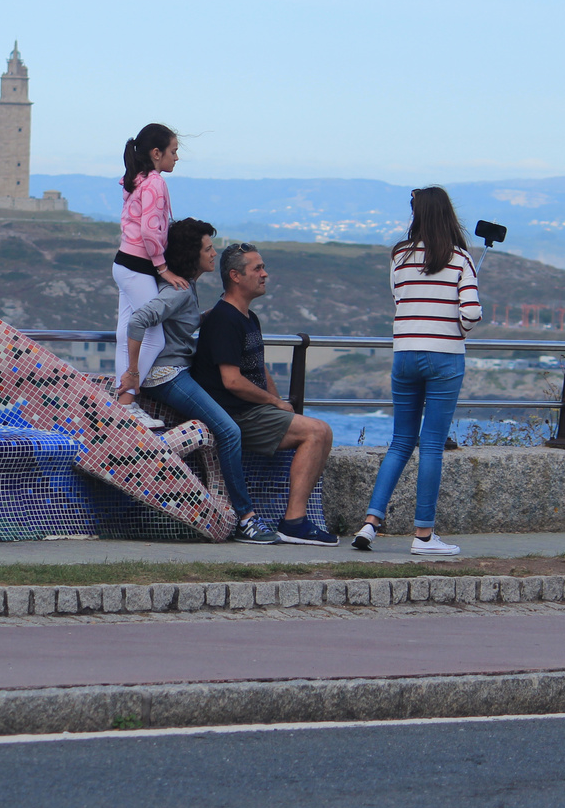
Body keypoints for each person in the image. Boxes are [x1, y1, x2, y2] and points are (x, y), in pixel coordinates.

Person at [124, 219, 277, 544]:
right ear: (193, 255)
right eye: (208, 248)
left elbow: (182, 323)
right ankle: (246, 519)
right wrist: (133, 373)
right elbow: (138, 321)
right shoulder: (178, 291)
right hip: (168, 375)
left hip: (180, 369)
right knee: (229, 431)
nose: (214, 253)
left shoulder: (187, 286)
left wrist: (213, 315)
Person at [353, 187, 482, 557]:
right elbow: (471, 312)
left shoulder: (399, 255)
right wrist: (462, 326)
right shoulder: (460, 258)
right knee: (431, 446)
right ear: (447, 214)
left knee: (400, 441)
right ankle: (423, 535)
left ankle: (370, 524)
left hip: (405, 355)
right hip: (444, 359)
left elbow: (399, 298)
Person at [190, 243, 339, 545]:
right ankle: (294, 522)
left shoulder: (248, 317)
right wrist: (273, 402)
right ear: (235, 276)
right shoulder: (224, 320)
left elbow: (258, 367)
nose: (264, 274)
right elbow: (231, 381)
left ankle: (295, 521)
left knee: (319, 432)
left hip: (253, 411)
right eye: (257, 269)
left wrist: (281, 404)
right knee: (317, 432)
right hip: (236, 414)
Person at [113, 123, 184, 429]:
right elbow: (150, 230)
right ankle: (127, 400)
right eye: (174, 151)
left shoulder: (136, 179)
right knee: (154, 335)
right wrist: (163, 267)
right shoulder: (154, 183)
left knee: (125, 333)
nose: (177, 158)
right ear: (157, 153)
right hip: (139, 267)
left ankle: (122, 405)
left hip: (123, 264)